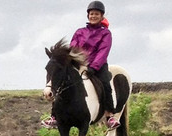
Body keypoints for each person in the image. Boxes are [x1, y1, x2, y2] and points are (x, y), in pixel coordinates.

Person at [42, 1, 119, 129]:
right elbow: (73, 47)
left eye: (96, 14)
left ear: (102, 16)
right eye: (91, 14)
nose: (93, 16)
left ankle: (109, 116)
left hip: (97, 66)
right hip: (79, 64)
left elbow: (103, 51)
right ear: (88, 15)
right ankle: (54, 116)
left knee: (105, 83)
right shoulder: (80, 32)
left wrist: (93, 67)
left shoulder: (105, 33)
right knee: (62, 83)